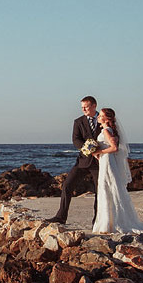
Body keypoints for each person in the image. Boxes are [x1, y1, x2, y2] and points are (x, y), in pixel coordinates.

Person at [91, 108, 143, 235]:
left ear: (107, 119)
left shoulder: (106, 130)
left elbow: (114, 148)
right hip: (106, 160)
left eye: (101, 115)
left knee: (107, 187)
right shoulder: (108, 130)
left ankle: (109, 223)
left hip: (107, 161)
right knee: (108, 187)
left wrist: (99, 152)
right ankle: (109, 222)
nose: (98, 117)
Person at [47, 96, 101, 224]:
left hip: (100, 162)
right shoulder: (78, 122)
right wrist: (89, 150)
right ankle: (61, 217)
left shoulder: (103, 119)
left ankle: (97, 220)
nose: (83, 109)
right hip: (83, 161)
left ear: (94, 106)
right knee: (67, 185)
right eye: (82, 107)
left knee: (100, 191)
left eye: (86, 107)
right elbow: (76, 140)